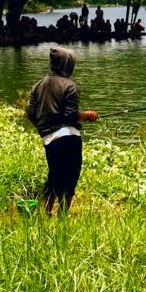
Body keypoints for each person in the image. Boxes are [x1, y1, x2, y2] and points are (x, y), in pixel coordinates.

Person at [26, 47, 96, 215]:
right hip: (69, 137)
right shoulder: (70, 86)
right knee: (70, 175)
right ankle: (62, 215)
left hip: (49, 138)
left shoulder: (37, 85)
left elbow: (30, 113)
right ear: (67, 65)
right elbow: (71, 115)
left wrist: (43, 129)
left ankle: (46, 212)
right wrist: (86, 115)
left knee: (55, 174)